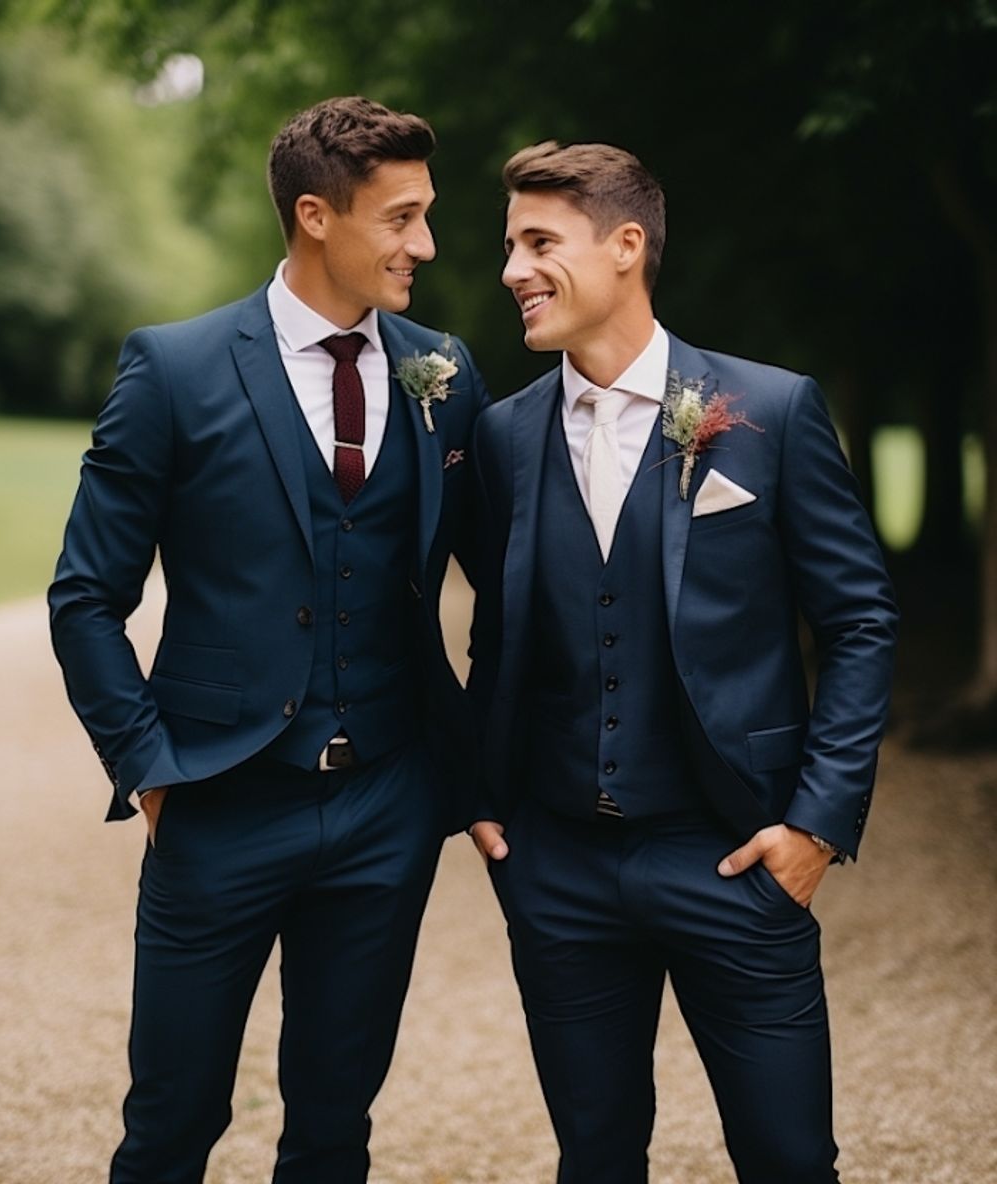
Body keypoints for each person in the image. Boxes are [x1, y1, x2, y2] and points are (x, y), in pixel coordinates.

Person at [49, 95, 488, 1184]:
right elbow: (83, 596)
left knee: (336, 1130)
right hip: (220, 800)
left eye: (426, 215)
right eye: (401, 218)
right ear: (314, 216)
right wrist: (149, 766)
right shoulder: (177, 366)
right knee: (171, 1123)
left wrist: (474, 765)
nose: (424, 245)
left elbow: (515, 585)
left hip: (387, 804)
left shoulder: (444, 372)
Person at [468, 140, 898, 1183]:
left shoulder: (772, 412)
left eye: (537, 242)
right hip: (558, 866)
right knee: (596, 1158)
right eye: (508, 245)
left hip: (735, 857)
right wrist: (483, 800)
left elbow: (858, 620)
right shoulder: (498, 437)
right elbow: (500, 630)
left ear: (626, 247)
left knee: (789, 1158)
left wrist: (813, 824)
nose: (511, 270)